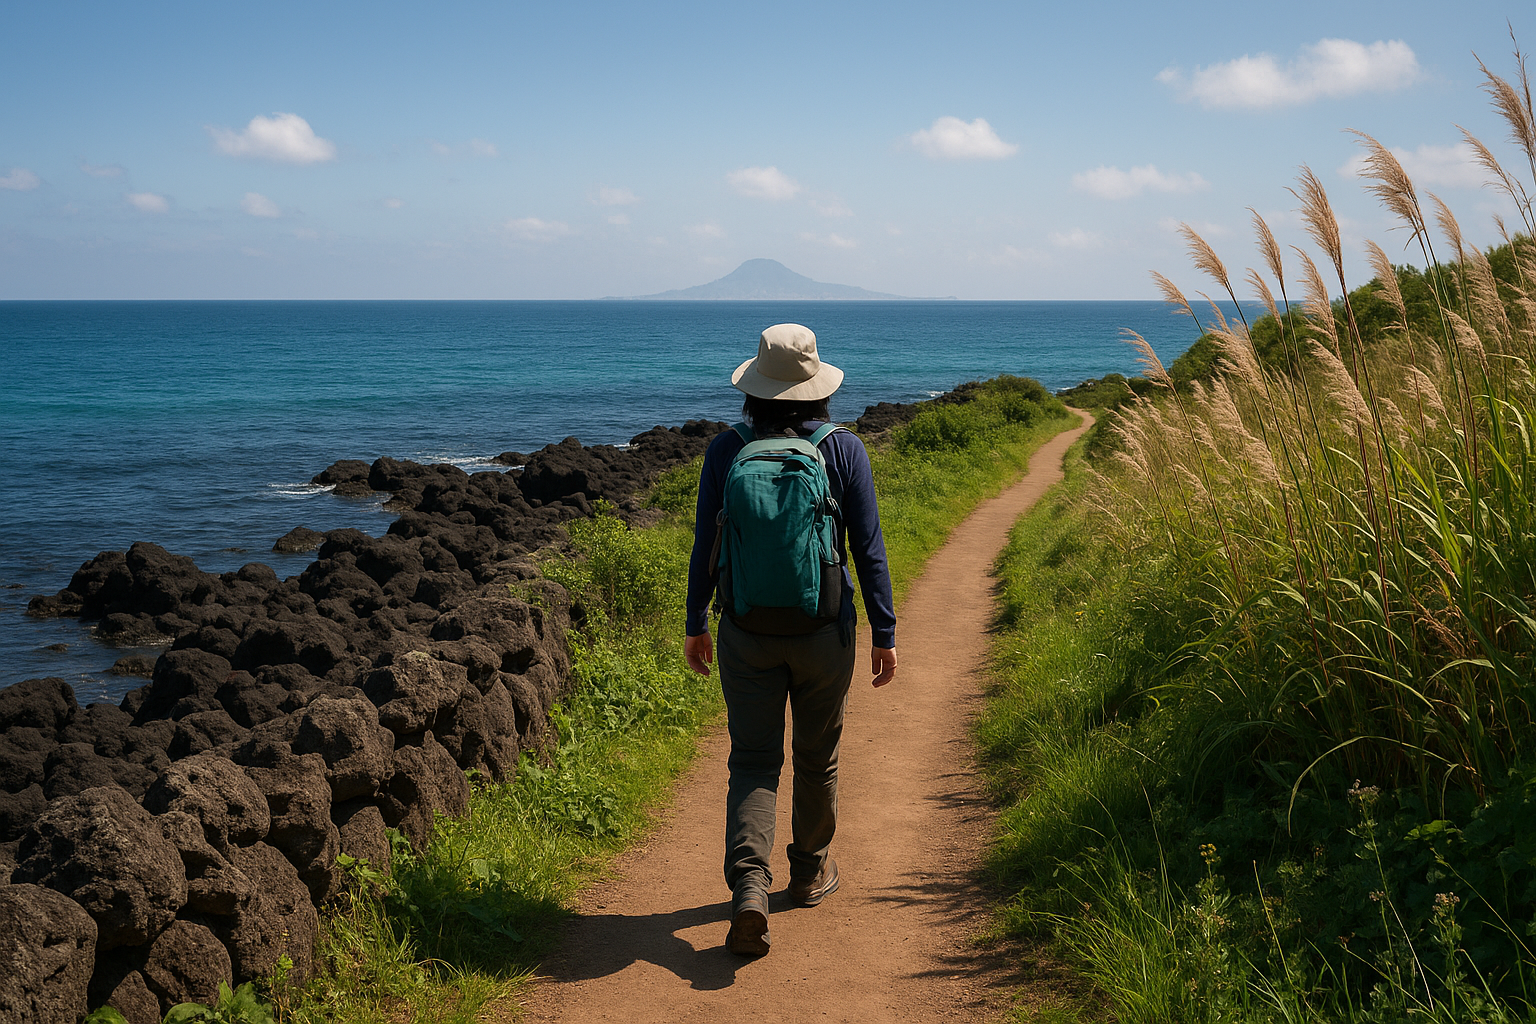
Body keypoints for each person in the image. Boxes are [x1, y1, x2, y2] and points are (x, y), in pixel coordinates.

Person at [684, 322, 898, 958]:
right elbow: (868, 548)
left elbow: (707, 546)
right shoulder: (843, 449)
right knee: (816, 756)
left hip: (745, 628)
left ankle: (749, 887)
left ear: (755, 386)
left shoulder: (727, 450)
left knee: (752, 759)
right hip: (824, 631)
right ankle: (807, 872)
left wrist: (697, 620)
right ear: (815, 384)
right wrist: (884, 631)